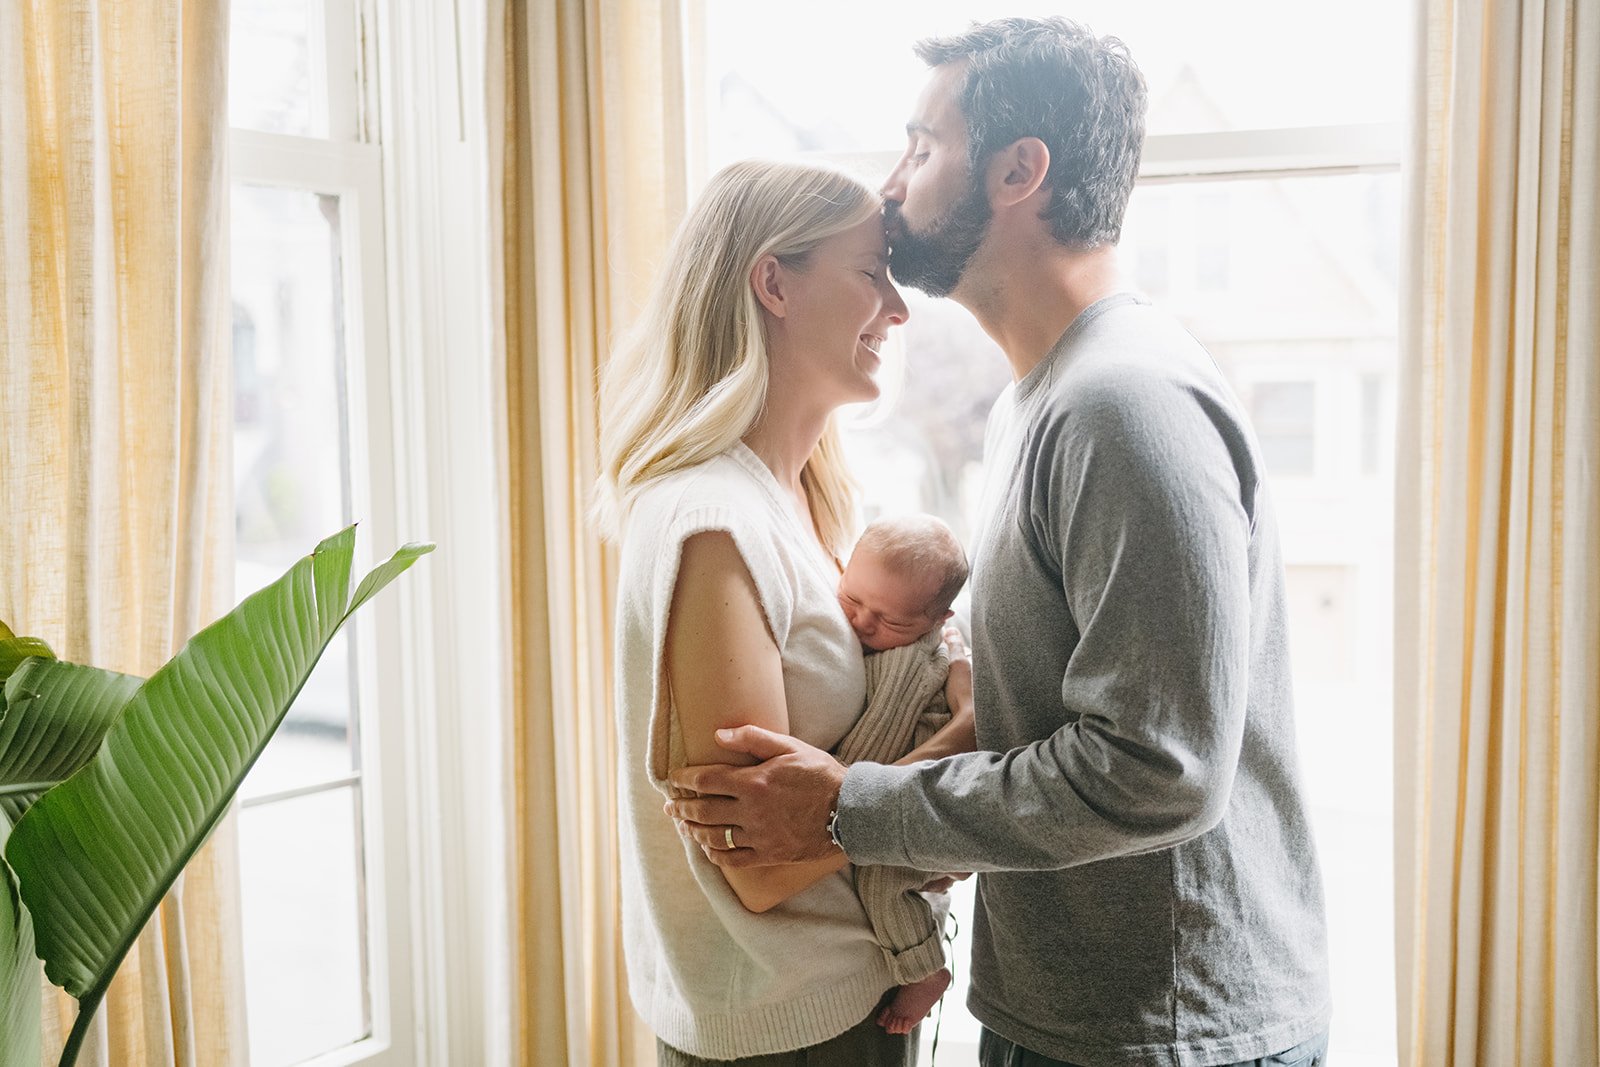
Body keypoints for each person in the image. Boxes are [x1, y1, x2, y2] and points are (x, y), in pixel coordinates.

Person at [666, 18, 1332, 1067]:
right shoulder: (1042, 397)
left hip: (1162, 1033)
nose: (891, 186)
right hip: (1075, 1010)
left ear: (1020, 170)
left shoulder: (1123, 404)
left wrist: (852, 809)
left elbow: (1155, 768)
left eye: (921, 148)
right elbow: (1038, 708)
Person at [595, 159, 974, 1066]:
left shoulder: (815, 503)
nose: (899, 305)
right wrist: (961, 750)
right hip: (789, 1031)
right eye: (870, 271)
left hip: (850, 1000)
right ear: (773, 281)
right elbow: (760, 864)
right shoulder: (713, 523)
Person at [830, 514, 975, 1035]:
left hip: (922, 800)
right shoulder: (888, 638)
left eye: (889, 620)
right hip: (929, 798)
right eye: (851, 599)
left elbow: (874, 754)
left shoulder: (904, 665)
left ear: (938, 620)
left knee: (880, 879)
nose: (863, 624)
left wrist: (832, 788)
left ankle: (925, 969)